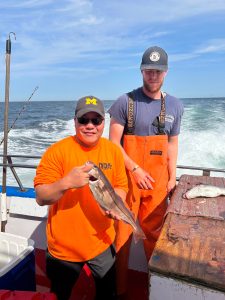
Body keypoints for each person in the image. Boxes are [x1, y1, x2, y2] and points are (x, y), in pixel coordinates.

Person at [34, 96, 128, 300]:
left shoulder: (113, 150)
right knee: (60, 295)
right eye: (84, 120)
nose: (90, 126)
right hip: (63, 249)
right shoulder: (57, 152)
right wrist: (66, 182)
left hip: (102, 242)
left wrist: (116, 203)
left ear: (104, 123)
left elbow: (121, 185)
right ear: (75, 121)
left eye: (96, 120)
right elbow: (41, 197)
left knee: (107, 294)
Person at [108, 46, 184, 298]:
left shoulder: (174, 105)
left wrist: (172, 177)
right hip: (127, 180)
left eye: (158, 71)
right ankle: (119, 290)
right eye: (149, 70)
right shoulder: (125, 102)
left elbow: (172, 143)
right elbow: (112, 145)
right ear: (141, 70)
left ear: (166, 73)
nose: (153, 76)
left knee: (155, 237)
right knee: (122, 237)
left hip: (158, 182)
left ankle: (157, 290)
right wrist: (135, 168)